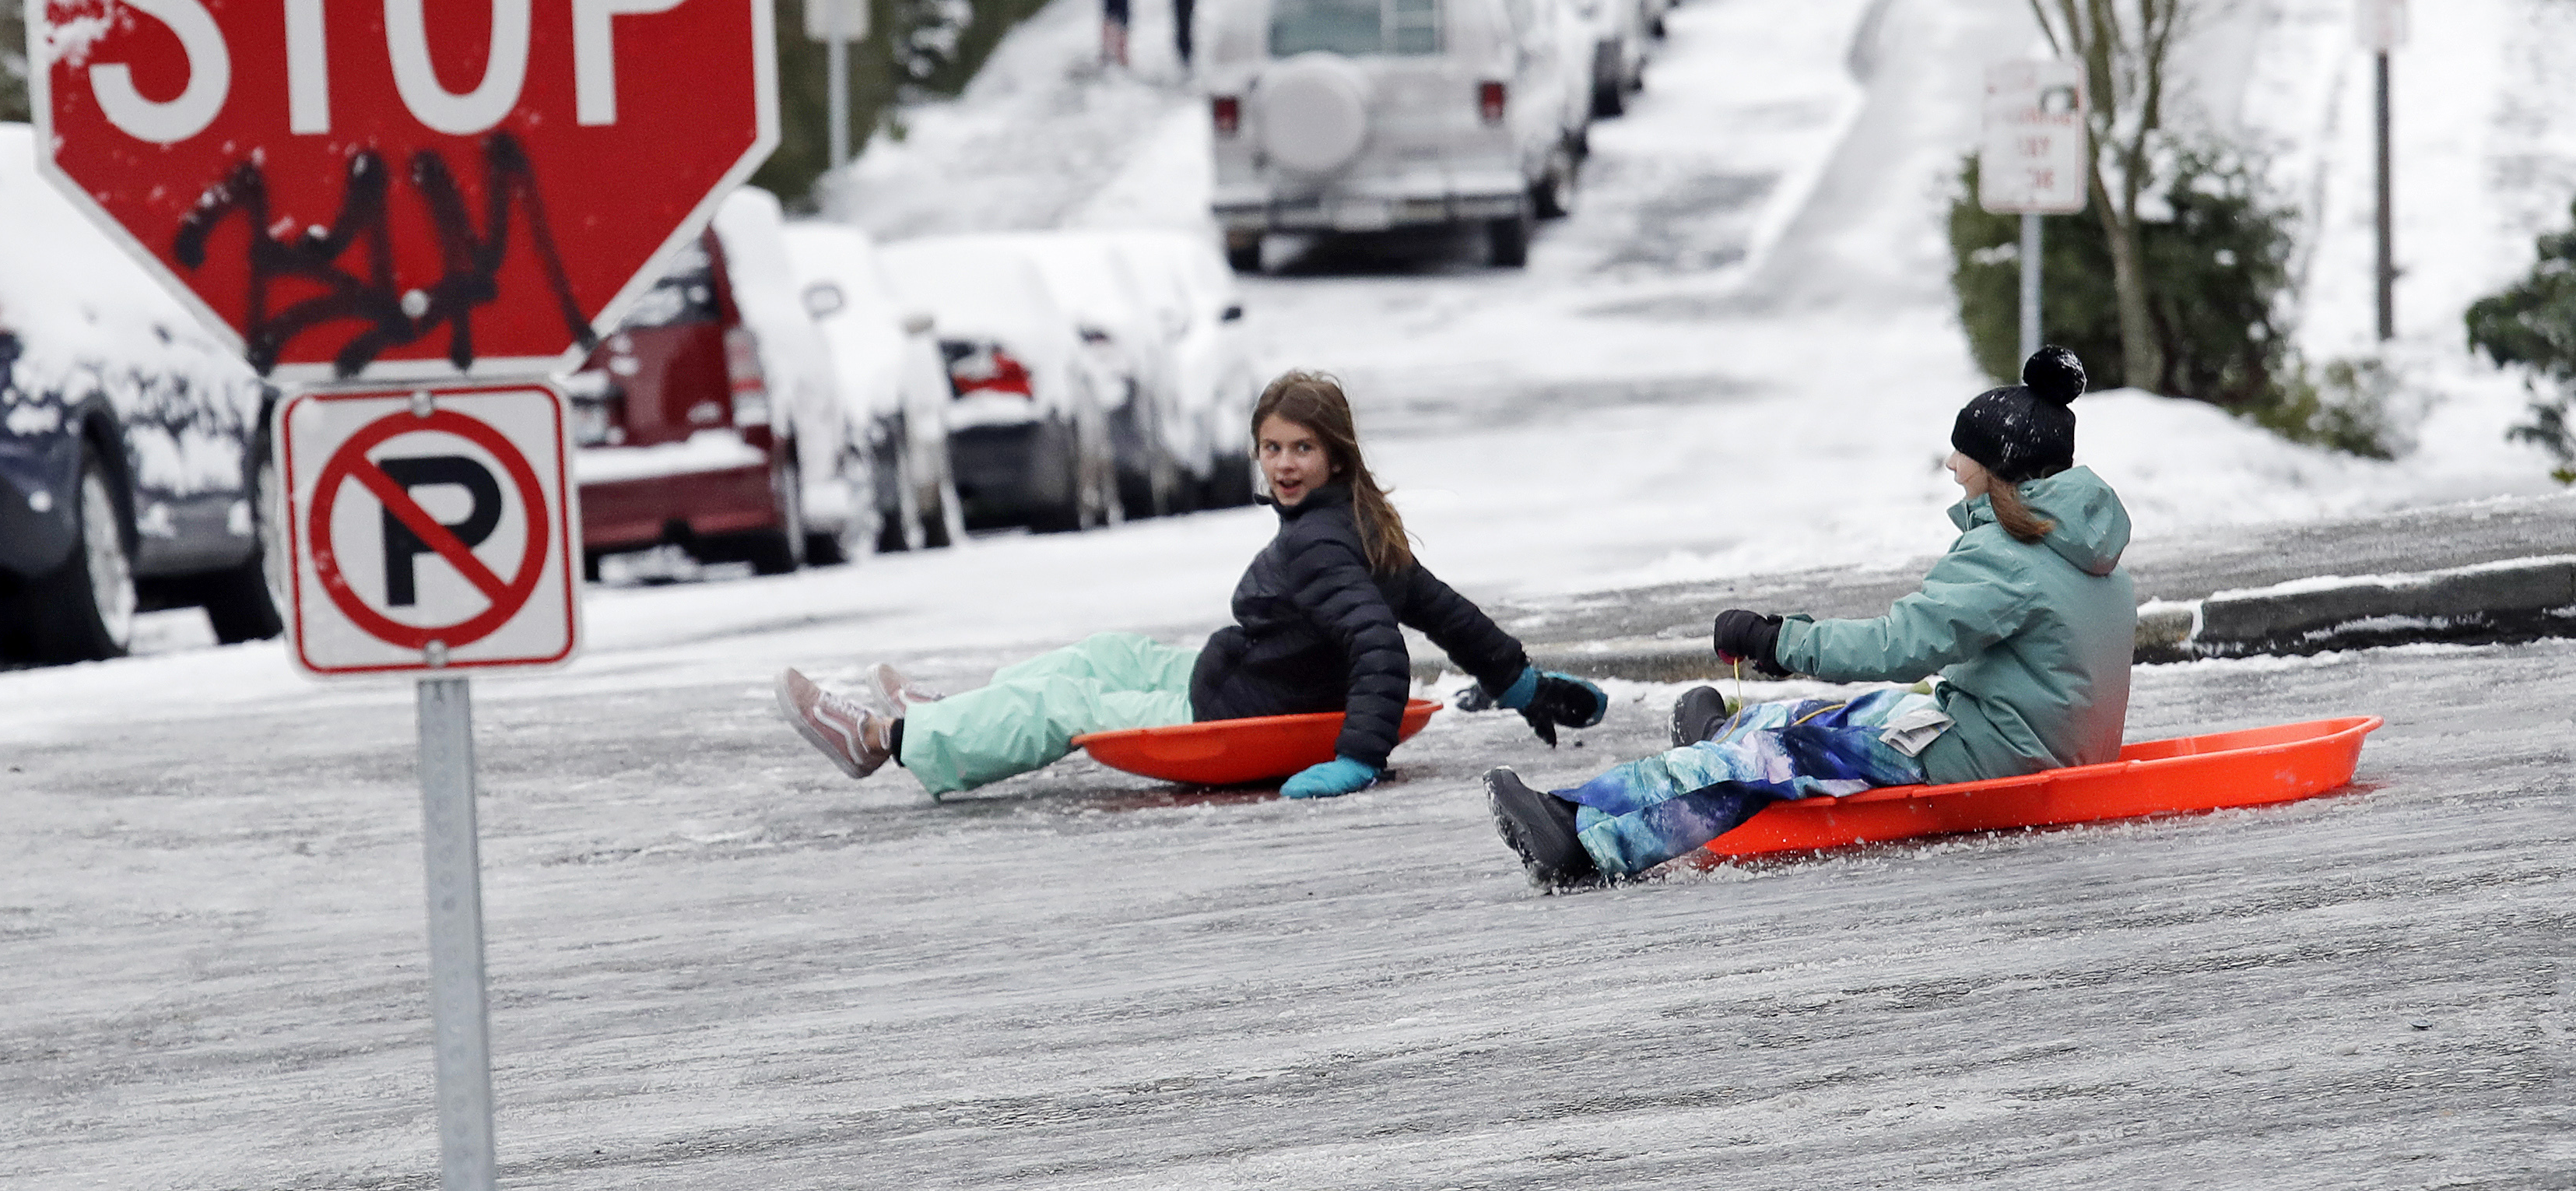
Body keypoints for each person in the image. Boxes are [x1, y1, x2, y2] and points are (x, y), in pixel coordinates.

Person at [775, 370, 1608, 799]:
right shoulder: (1356, 519)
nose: (1283, 464)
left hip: (1228, 711)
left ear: (1335, 456)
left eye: (1301, 450)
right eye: (1272, 447)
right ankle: (945, 717)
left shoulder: (1323, 542)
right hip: (1230, 676)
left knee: (1063, 701)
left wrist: (1357, 758)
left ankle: (890, 741)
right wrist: (1523, 682)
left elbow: (1381, 644)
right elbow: (1443, 610)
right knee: (1102, 654)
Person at [1483, 346, 2136, 886]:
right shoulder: (2082, 545)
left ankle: (1577, 833)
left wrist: (1777, 641)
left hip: (1995, 758)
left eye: (1961, 451)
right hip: (2024, 738)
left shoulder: (2007, 556)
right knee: (1860, 715)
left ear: (1997, 468)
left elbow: (1896, 644)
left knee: (1772, 756)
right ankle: (1725, 730)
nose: (1949, 462)